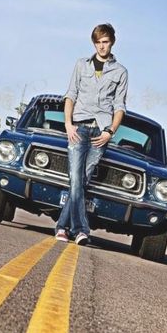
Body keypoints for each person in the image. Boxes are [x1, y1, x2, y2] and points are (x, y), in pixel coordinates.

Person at [55, 23, 128, 245]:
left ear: (112, 42)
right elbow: (70, 95)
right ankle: (80, 230)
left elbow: (119, 107)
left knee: (82, 180)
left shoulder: (121, 72)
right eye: (98, 42)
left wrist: (110, 132)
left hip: (101, 133)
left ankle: (61, 227)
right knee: (75, 179)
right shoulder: (81, 65)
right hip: (78, 128)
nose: (102, 46)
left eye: (105, 41)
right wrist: (68, 124)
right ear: (94, 43)